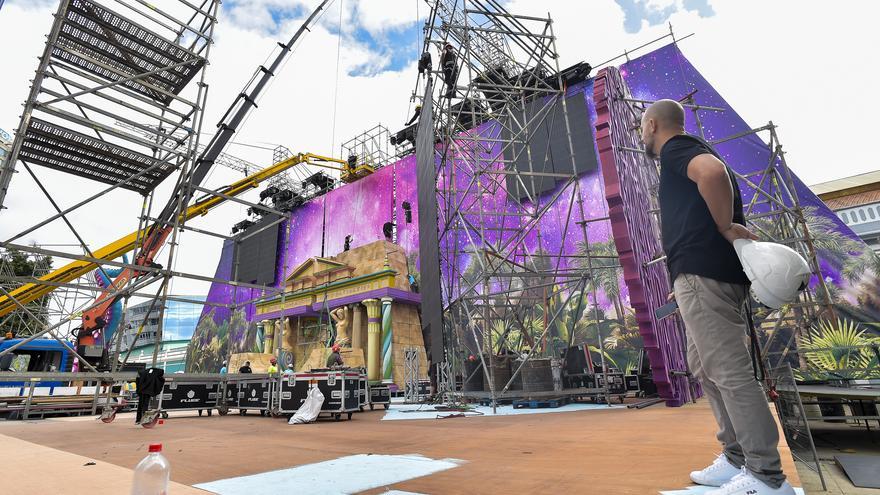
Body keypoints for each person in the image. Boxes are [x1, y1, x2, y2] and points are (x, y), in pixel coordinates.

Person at [640, 99, 794, 495]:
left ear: (652, 124)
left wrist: (725, 225)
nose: (642, 135)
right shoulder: (689, 148)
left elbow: (711, 173)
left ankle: (765, 476)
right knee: (705, 367)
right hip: (706, 275)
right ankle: (737, 457)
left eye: (642, 128)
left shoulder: (677, 149)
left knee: (728, 371)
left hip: (703, 274)